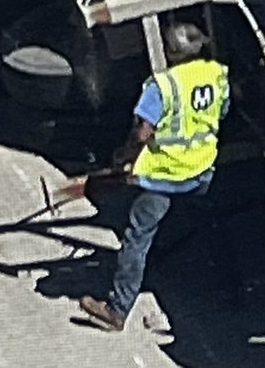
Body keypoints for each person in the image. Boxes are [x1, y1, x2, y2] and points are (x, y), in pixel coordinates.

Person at [79, 22, 229, 331]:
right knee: (187, 214)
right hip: (201, 169)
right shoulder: (215, 74)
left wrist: (124, 155)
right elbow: (222, 110)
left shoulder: (161, 86)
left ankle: (117, 310)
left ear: (171, 52)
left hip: (165, 174)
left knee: (137, 236)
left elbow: (143, 132)